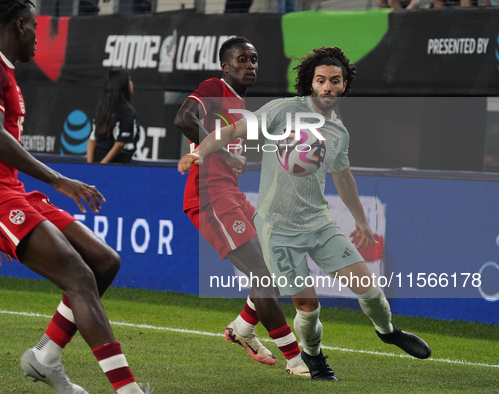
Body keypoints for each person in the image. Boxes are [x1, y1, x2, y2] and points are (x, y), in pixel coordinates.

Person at [180, 46, 432, 381]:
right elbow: (229, 133)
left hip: (320, 224)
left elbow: (343, 177)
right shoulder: (282, 111)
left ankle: (387, 331)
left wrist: (360, 220)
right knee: (308, 307)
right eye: (322, 80)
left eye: (335, 81)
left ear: (344, 86)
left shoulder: (338, 132)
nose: (328, 86)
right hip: (278, 230)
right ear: (310, 83)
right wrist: (201, 153)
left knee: (369, 289)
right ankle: (310, 358)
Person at [0, 1, 147, 393]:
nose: (39, 36)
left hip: (9, 192)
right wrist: (58, 179)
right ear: (21, 26)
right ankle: (127, 390)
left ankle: (44, 358)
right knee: (78, 276)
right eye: (36, 28)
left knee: (104, 262)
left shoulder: (2, 72)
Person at [175, 36, 311, 377]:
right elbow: (183, 118)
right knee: (263, 275)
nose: (250, 65)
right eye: (242, 59)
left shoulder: (243, 108)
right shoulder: (213, 87)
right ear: (225, 65)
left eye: (254, 59)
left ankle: (243, 327)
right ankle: (295, 359)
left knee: (275, 265)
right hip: (208, 197)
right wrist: (224, 153)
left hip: (230, 194)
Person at [87, 68, 140, 164]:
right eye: (129, 80)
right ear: (123, 85)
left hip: (101, 160)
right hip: (116, 163)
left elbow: (92, 139)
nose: (131, 83)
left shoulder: (102, 109)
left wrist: (91, 165)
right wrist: (101, 165)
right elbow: (119, 144)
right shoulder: (127, 112)